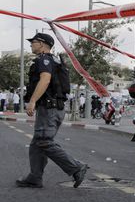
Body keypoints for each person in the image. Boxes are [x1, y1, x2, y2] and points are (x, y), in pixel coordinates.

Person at [16, 33, 88, 189]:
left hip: (50, 108)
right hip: (53, 107)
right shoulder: (54, 60)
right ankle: (35, 177)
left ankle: (76, 167)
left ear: (42, 44)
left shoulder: (45, 59)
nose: (31, 45)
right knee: (37, 144)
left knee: (43, 141)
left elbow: (45, 79)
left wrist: (33, 100)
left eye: (33, 42)